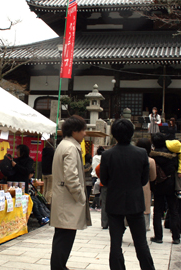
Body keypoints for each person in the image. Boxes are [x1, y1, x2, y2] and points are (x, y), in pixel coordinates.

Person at [100, 119, 155, 270]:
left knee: (115, 243)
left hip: (114, 201)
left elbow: (104, 179)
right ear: (131, 133)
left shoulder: (107, 155)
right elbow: (144, 180)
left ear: (115, 135)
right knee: (140, 242)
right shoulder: (141, 153)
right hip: (135, 201)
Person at [50, 115, 91, 270]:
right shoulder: (71, 147)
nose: (84, 134)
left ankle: (59, 266)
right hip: (67, 200)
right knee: (65, 237)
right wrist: (80, 196)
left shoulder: (64, 145)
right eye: (83, 130)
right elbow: (71, 177)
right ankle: (58, 267)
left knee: (62, 236)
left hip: (63, 198)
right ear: (75, 131)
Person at [150, 133, 180, 244]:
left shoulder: (152, 156)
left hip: (158, 185)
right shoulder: (173, 155)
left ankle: (158, 236)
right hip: (171, 184)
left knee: (157, 211)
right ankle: (176, 237)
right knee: (173, 210)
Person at [136, 138, 157, 231]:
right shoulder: (151, 161)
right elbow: (153, 177)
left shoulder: (131, 158)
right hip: (145, 186)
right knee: (144, 207)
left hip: (130, 186)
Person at [41, 138, 54, 205]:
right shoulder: (52, 151)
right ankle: (48, 202)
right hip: (50, 172)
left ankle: (43, 201)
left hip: (44, 172)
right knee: (50, 189)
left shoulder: (44, 151)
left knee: (45, 189)